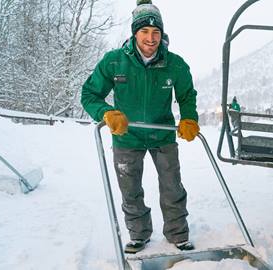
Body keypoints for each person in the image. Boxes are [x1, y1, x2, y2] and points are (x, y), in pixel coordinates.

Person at [81, 0, 198, 254]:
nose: (150, 38)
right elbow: (89, 94)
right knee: (130, 189)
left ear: (162, 34)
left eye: (156, 32)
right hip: (127, 135)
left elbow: (187, 95)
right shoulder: (114, 62)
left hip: (162, 133)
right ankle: (138, 234)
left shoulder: (175, 64)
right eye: (144, 31)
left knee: (172, 186)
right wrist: (107, 113)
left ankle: (178, 234)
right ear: (135, 33)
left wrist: (189, 118)